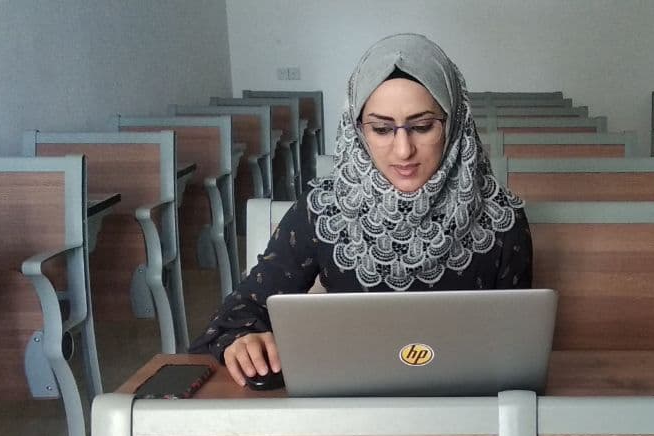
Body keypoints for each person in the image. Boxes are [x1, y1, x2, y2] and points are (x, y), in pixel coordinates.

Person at [189, 33, 532, 386]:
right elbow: (242, 308)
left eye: (422, 126)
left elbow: (519, 343)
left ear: (454, 122)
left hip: (465, 405)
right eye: (381, 129)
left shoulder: (501, 218)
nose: (403, 150)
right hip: (350, 403)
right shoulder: (324, 211)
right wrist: (244, 338)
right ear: (358, 130)